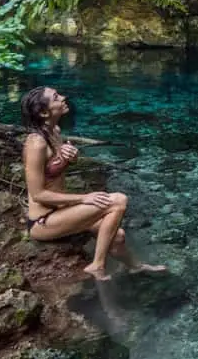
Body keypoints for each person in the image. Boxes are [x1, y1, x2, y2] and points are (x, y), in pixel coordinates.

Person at [20, 86, 165, 280]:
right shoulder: (35, 144)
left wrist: (70, 158)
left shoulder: (55, 131)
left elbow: (52, 172)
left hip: (61, 210)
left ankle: (135, 267)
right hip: (43, 221)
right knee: (118, 201)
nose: (63, 97)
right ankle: (97, 265)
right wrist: (84, 198)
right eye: (56, 97)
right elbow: (37, 194)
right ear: (44, 112)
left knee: (118, 236)